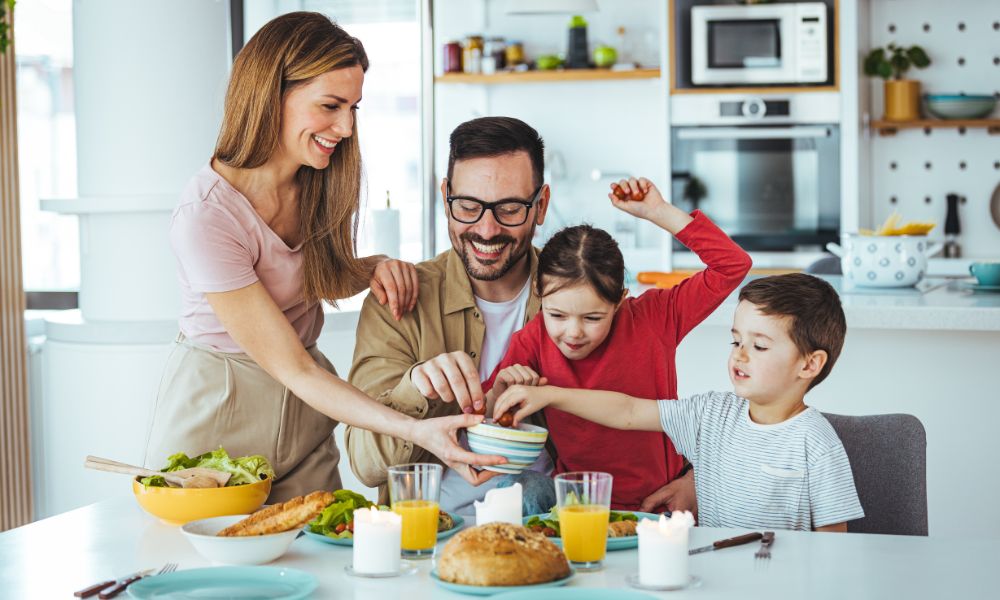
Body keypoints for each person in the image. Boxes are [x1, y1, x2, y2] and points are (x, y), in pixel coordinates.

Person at [143, 12, 501, 502]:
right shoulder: (207, 216)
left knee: (319, 561)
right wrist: (415, 430)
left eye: (354, 107)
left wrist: (370, 267)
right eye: (331, 105)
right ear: (273, 94)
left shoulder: (315, 179)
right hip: (222, 409)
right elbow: (292, 367)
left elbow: (302, 277)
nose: (346, 127)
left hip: (303, 413)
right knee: (210, 570)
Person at [495, 273, 865, 531]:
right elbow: (627, 410)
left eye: (760, 346)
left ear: (810, 364)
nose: (740, 356)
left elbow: (833, 541)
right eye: (736, 342)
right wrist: (549, 395)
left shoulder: (816, 441)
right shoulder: (711, 414)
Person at [482, 177, 752, 512]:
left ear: (620, 300)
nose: (573, 333)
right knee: (516, 490)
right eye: (557, 315)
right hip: (576, 507)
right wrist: (500, 392)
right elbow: (487, 410)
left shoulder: (655, 318)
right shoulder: (532, 340)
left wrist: (659, 212)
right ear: (539, 297)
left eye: (593, 318)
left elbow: (733, 265)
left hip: (657, 504)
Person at [346, 116, 560, 515]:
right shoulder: (398, 302)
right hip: (427, 536)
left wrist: (686, 476)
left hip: (555, 529)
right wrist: (416, 388)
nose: (486, 229)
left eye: (510, 208)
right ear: (445, 197)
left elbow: (633, 409)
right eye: (468, 207)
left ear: (541, 205)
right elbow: (364, 463)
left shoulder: (576, 296)